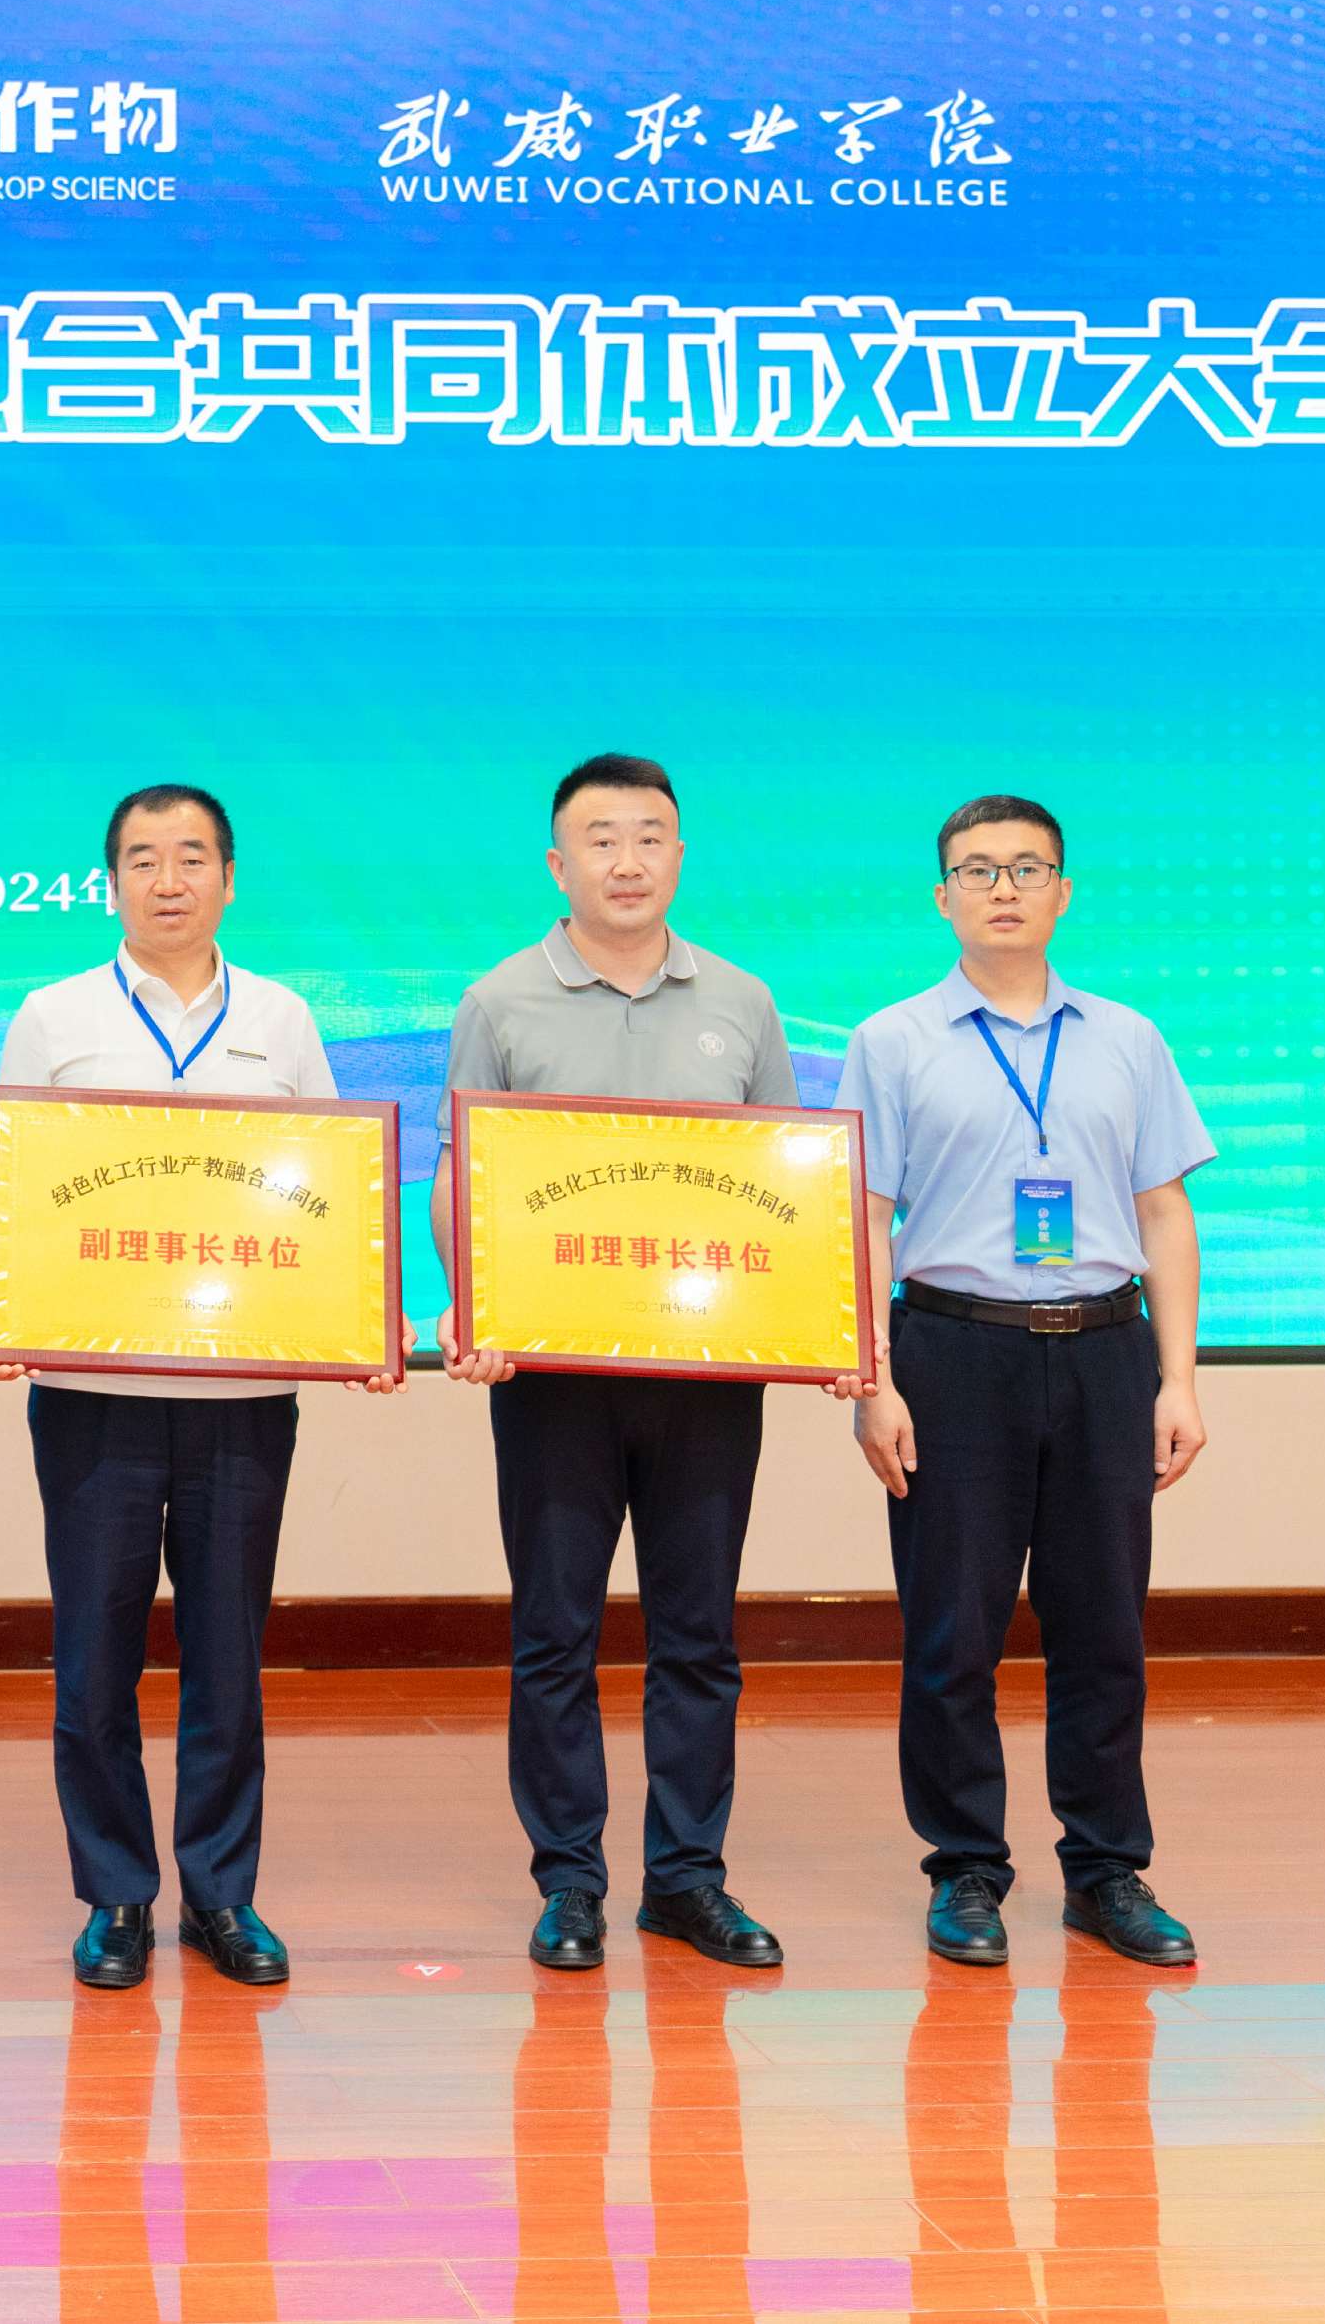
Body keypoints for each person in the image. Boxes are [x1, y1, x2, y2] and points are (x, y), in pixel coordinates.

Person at [0, 783, 402, 1994]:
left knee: (226, 1654)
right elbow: (9, 1182)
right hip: (90, 1386)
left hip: (242, 1396)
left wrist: (363, 1317)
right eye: (143, 859)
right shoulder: (53, 1014)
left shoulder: (281, 1017)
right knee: (92, 1654)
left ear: (227, 878)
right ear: (109, 881)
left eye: (191, 857)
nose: (167, 880)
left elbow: (333, 1194)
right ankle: (114, 1892)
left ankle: (221, 1891)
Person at [438, 754, 812, 1974]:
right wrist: (472, 1307)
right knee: (554, 1630)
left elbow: (787, 1184)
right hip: (550, 1378)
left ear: (678, 856)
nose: (626, 859)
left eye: (649, 835)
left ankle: (687, 1878)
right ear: (559, 864)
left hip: (706, 1375)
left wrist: (814, 1324)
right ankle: (569, 1880)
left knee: (697, 1632)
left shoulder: (741, 1001)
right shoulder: (500, 1000)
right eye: (599, 838)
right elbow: (460, 1172)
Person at [837, 795, 1214, 1970]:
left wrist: (1176, 1377)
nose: (1001, 888)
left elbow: (1163, 1210)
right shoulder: (890, 1040)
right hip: (952, 1352)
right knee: (950, 1628)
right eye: (976, 869)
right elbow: (860, 1217)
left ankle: (1105, 1870)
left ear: (1062, 892)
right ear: (940, 896)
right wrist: (871, 1378)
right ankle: (964, 1870)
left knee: (1102, 1627)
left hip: (1103, 1349)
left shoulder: (1127, 1039)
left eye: (1025, 867)